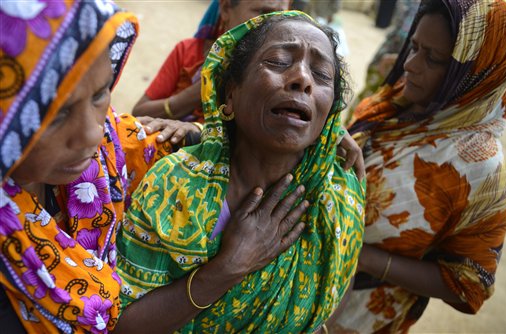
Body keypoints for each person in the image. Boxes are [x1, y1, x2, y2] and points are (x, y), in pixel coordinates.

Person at [0, 1, 301, 332]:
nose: (92, 132)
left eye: (100, 94)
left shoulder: (117, 145)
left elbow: (205, 143)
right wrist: (226, 269)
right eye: (56, 113)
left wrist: (312, 136)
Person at [115, 11, 366, 333]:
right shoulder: (174, 184)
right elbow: (121, 324)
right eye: (277, 61)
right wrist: (225, 270)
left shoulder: (339, 193)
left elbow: (340, 280)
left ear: (330, 112)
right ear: (230, 94)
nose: (302, 78)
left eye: (321, 73)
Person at [336, 0, 506, 333]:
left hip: (355, 316)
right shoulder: (402, 99)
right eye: (414, 47)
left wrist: (365, 257)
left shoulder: (481, 168)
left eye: (434, 58)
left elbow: (470, 283)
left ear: (475, 74)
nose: (411, 65)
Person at [131, 0, 290, 122]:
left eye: (280, 15)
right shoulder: (189, 52)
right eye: (263, 12)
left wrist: (195, 130)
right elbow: (140, 114)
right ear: (226, 8)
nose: (272, 23)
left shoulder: (284, 73)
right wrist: (200, 90)